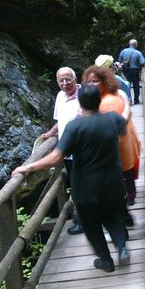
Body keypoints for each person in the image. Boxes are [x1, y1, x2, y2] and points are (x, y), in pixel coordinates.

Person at [13, 85, 130, 273]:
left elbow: (57, 157)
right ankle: (122, 246)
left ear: (80, 103)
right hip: (112, 180)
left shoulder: (75, 126)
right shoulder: (112, 119)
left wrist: (29, 167)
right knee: (112, 213)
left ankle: (105, 260)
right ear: (99, 100)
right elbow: (122, 122)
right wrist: (125, 105)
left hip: (86, 184)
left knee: (89, 221)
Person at [83, 66, 141, 220]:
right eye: (88, 82)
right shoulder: (111, 96)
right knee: (124, 176)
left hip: (117, 147)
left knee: (118, 179)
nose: (90, 85)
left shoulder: (108, 102)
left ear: (104, 82)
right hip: (124, 143)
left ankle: (123, 213)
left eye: (94, 82)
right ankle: (127, 204)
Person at [41, 67, 83, 235]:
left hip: (83, 149)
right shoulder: (59, 96)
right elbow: (61, 120)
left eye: (68, 79)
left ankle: (82, 221)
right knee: (76, 185)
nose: (64, 83)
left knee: (80, 186)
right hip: (68, 152)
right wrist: (51, 133)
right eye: (61, 80)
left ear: (75, 79)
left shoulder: (85, 96)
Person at [118, 39, 145, 105]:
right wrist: (139, 67)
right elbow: (142, 62)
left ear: (129, 44)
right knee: (136, 85)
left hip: (125, 71)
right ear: (136, 45)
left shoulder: (123, 51)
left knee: (126, 85)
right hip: (134, 71)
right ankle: (136, 100)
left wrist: (124, 64)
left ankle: (128, 100)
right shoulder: (138, 53)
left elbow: (119, 60)